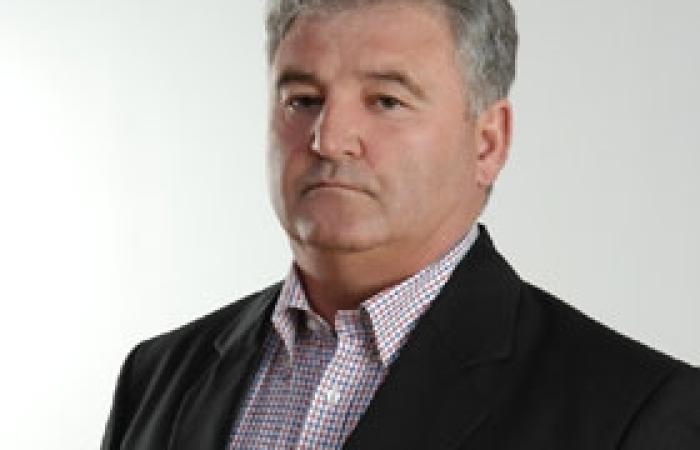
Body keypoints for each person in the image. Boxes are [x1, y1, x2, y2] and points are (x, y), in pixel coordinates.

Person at [101, 1, 700, 449]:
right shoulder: (156, 377)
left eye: (386, 101)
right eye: (303, 98)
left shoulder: (634, 412)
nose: (329, 138)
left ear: (487, 142)